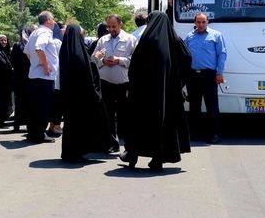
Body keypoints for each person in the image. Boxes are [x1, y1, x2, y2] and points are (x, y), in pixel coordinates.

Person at [120, 11, 192, 170]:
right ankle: (158, 159)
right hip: (167, 94)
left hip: (143, 94)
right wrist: (178, 82)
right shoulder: (175, 40)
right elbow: (187, 58)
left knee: (139, 123)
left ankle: (132, 155)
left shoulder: (147, 39)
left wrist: (133, 86)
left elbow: (134, 66)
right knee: (164, 124)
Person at [59, 24, 113, 162]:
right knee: (79, 124)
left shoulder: (66, 50)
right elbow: (87, 71)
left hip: (69, 94)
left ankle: (70, 152)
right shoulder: (78, 52)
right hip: (81, 95)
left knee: (70, 125)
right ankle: (77, 152)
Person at [92, 14, 136, 152]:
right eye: (109, 27)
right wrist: (102, 60)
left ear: (120, 24)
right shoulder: (102, 40)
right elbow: (93, 60)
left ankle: (127, 144)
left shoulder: (131, 39)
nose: (111, 29)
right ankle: (112, 142)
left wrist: (119, 60)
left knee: (125, 115)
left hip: (123, 84)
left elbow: (135, 61)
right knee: (108, 114)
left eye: (114, 26)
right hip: (106, 82)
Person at [184, 12, 227, 144]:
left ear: (208, 22)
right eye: (198, 22)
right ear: (195, 23)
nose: (201, 24)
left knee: (212, 105)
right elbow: (184, 54)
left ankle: (214, 133)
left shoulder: (216, 35)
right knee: (194, 106)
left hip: (209, 75)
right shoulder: (189, 36)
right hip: (193, 75)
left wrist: (219, 73)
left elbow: (222, 54)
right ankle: (194, 133)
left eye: (203, 22)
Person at [24, 11, 58, 143]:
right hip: (44, 77)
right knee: (44, 107)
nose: (54, 22)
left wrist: (35, 63)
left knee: (35, 107)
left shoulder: (35, 32)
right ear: (48, 20)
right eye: (53, 19)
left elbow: (27, 52)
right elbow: (39, 48)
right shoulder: (45, 32)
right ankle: (39, 134)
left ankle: (33, 133)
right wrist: (45, 65)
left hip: (34, 75)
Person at [10, 26, 35, 132]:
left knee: (23, 102)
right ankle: (23, 123)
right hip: (24, 77)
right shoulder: (23, 45)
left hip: (24, 78)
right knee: (24, 102)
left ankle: (22, 123)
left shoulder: (25, 45)